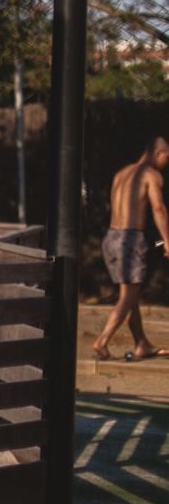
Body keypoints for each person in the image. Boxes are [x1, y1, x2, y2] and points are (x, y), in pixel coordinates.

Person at [91, 137, 169, 362]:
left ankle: (141, 343)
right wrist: (167, 240)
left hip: (111, 238)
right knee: (128, 296)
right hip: (131, 239)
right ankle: (102, 340)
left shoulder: (121, 174)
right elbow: (158, 208)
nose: (166, 163)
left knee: (131, 296)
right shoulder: (152, 175)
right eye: (167, 158)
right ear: (159, 154)